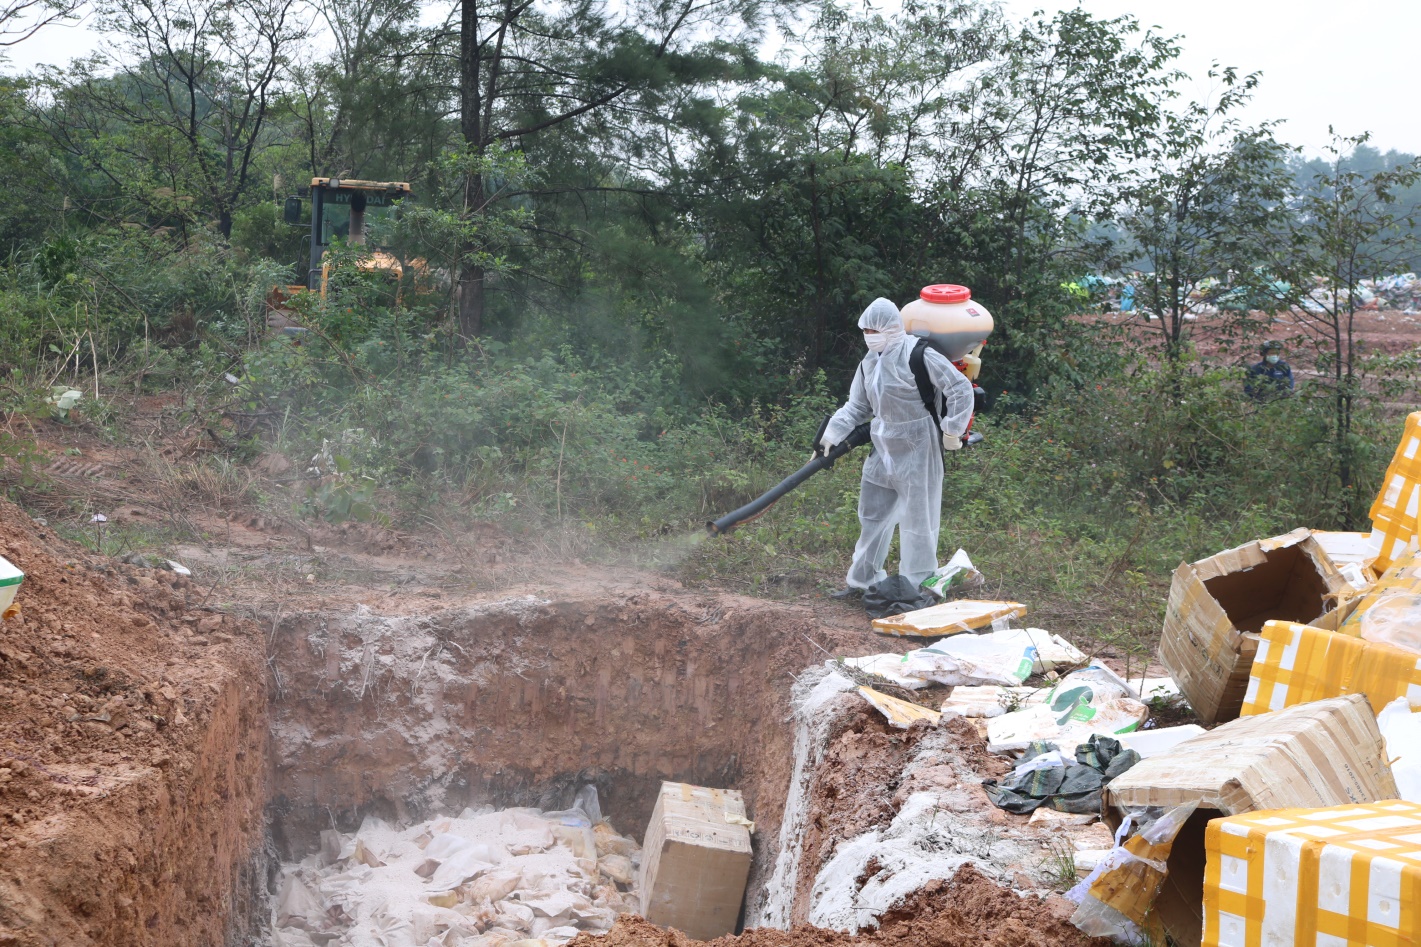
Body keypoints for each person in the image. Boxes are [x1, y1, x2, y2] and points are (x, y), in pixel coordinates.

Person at [819, 298, 975, 598]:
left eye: (874, 329)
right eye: (865, 330)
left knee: (919, 522)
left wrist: (952, 429)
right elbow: (857, 406)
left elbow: (959, 387)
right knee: (872, 517)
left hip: (919, 445)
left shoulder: (919, 354)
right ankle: (860, 582)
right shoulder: (869, 362)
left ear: (892, 328)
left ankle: (916, 590)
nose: (869, 335)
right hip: (883, 446)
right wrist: (831, 435)